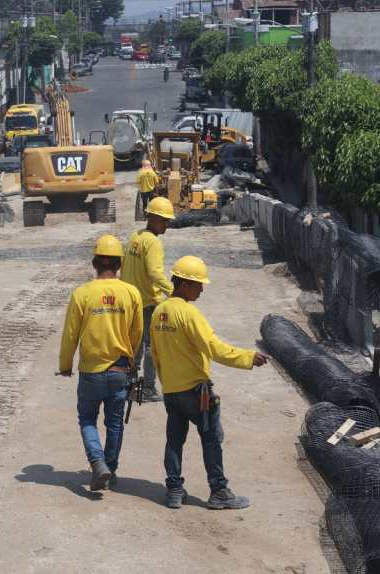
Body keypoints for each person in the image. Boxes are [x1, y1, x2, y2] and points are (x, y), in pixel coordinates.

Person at [150, 256, 270, 509]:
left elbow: (156, 354)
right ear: (183, 284)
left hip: (172, 390)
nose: (202, 289)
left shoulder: (159, 312)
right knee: (211, 438)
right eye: (198, 285)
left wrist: (166, 383)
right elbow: (214, 348)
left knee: (174, 440)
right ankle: (219, 491)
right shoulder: (189, 313)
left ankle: (174, 490)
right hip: (196, 392)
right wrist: (248, 358)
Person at [59, 235, 144, 492]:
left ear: (95, 262)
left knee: (87, 419)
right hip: (119, 369)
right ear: (119, 264)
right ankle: (111, 468)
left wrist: (65, 364)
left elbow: (70, 334)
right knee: (115, 422)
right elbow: (137, 333)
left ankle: (98, 463)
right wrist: (130, 359)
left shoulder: (82, 294)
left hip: (91, 372)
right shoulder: (131, 293)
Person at [121, 196, 175, 403]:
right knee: (153, 347)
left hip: (132, 301)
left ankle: (129, 385)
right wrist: (173, 292)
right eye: (163, 220)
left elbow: (125, 266)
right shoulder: (153, 242)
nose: (166, 225)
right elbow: (155, 272)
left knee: (134, 345)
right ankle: (149, 389)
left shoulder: (136, 236)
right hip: (148, 303)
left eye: (168, 221)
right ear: (151, 218)